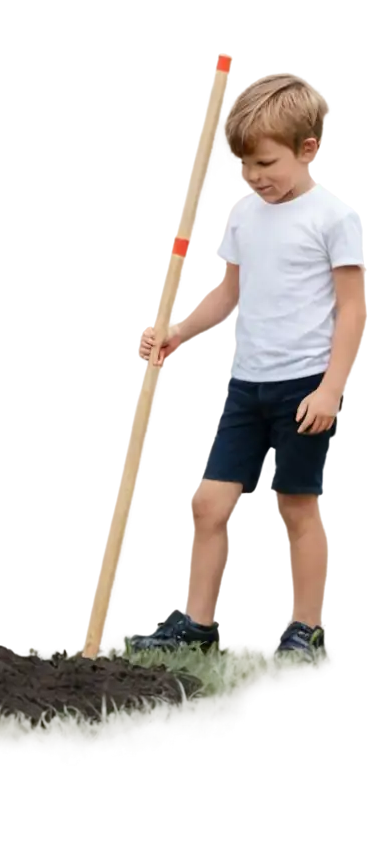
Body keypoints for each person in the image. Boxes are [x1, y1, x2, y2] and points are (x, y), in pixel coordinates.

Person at [130, 74, 366, 658]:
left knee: (295, 507)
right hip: (246, 385)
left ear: (307, 148)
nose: (256, 176)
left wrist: (331, 390)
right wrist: (178, 330)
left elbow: (354, 312)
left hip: (305, 386)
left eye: (266, 162)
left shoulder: (333, 216)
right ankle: (198, 624)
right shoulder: (243, 214)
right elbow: (227, 294)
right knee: (207, 503)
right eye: (246, 166)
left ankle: (303, 627)